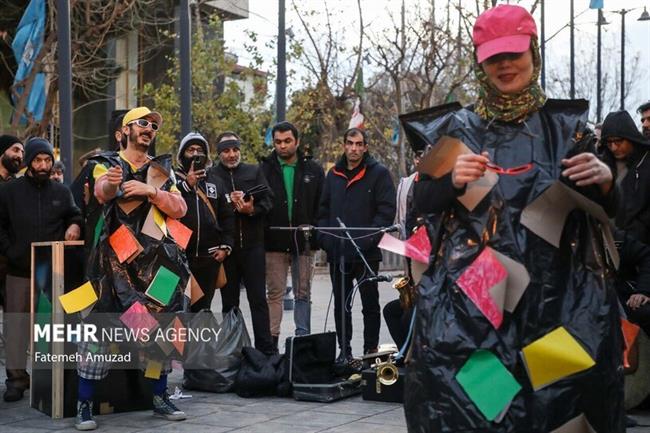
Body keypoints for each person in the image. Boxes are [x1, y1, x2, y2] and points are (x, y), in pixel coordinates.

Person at [402, 5, 623, 432]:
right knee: (482, 406)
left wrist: (607, 180)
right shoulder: (457, 131)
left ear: (534, 54)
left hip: (559, 298)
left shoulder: (568, 129)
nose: (505, 66)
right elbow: (421, 206)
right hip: (475, 301)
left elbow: (613, 213)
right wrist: (448, 182)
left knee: (555, 404)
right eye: (493, 57)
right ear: (479, 62)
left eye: (514, 54)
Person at [75, 107, 189, 430]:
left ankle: (159, 396)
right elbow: (101, 192)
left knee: (159, 333)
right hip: (114, 267)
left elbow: (180, 208)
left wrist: (152, 191)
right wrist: (113, 185)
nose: (149, 128)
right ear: (123, 132)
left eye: (153, 125)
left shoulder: (163, 171)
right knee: (100, 332)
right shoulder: (105, 165)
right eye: (142, 123)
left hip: (158, 266)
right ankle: (84, 404)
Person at [0, 137, 82, 402]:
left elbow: (75, 215)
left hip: (51, 273)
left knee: (49, 326)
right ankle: (16, 379)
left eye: (48, 160)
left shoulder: (62, 191)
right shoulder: (10, 192)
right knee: (15, 326)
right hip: (19, 270)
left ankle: (50, 377)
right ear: (29, 162)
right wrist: (11, 251)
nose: (44, 165)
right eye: (38, 160)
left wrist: (74, 226)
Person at [317, 127, 396, 360]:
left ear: (365, 147)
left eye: (359, 144)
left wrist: (368, 238)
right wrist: (326, 239)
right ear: (344, 145)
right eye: (350, 143)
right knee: (342, 306)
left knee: (370, 305)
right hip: (338, 254)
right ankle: (346, 353)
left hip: (367, 253)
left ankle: (370, 352)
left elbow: (386, 211)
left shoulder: (379, 173)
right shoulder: (333, 175)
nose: (354, 148)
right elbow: (322, 211)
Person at [211, 132, 276, 355]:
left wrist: (251, 209)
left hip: (253, 247)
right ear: (219, 153)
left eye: (235, 149)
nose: (231, 154)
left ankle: (265, 352)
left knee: (258, 300)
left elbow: (269, 201)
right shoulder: (212, 175)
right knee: (229, 304)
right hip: (227, 250)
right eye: (226, 150)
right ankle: (233, 352)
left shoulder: (253, 171)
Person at [260, 121, 324, 348]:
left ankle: (302, 341)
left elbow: (321, 205)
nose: (282, 146)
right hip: (274, 243)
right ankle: (271, 345)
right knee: (274, 293)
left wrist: (316, 233)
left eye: (287, 141)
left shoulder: (313, 170)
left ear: (297, 141)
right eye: (278, 142)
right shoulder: (264, 169)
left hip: (304, 243)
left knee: (303, 293)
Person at [174, 132, 234, 312]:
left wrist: (225, 247)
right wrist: (187, 186)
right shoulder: (172, 179)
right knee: (175, 309)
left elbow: (227, 216)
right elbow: (165, 204)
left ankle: (200, 341)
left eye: (199, 150)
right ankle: (178, 341)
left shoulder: (216, 181)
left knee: (202, 310)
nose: (194, 154)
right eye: (190, 150)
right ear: (182, 154)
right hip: (177, 258)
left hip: (209, 258)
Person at [600, 110, 650, 244]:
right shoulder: (603, 163)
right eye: (609, 143)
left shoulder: (646, 162)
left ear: (630, 137)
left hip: (639, 246)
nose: (614, 148)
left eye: (618, 142)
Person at [0, 135, 23, 308]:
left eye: (22, 152)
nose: (20, 156)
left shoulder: (19, 187)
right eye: (15, 150)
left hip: (11, 265)